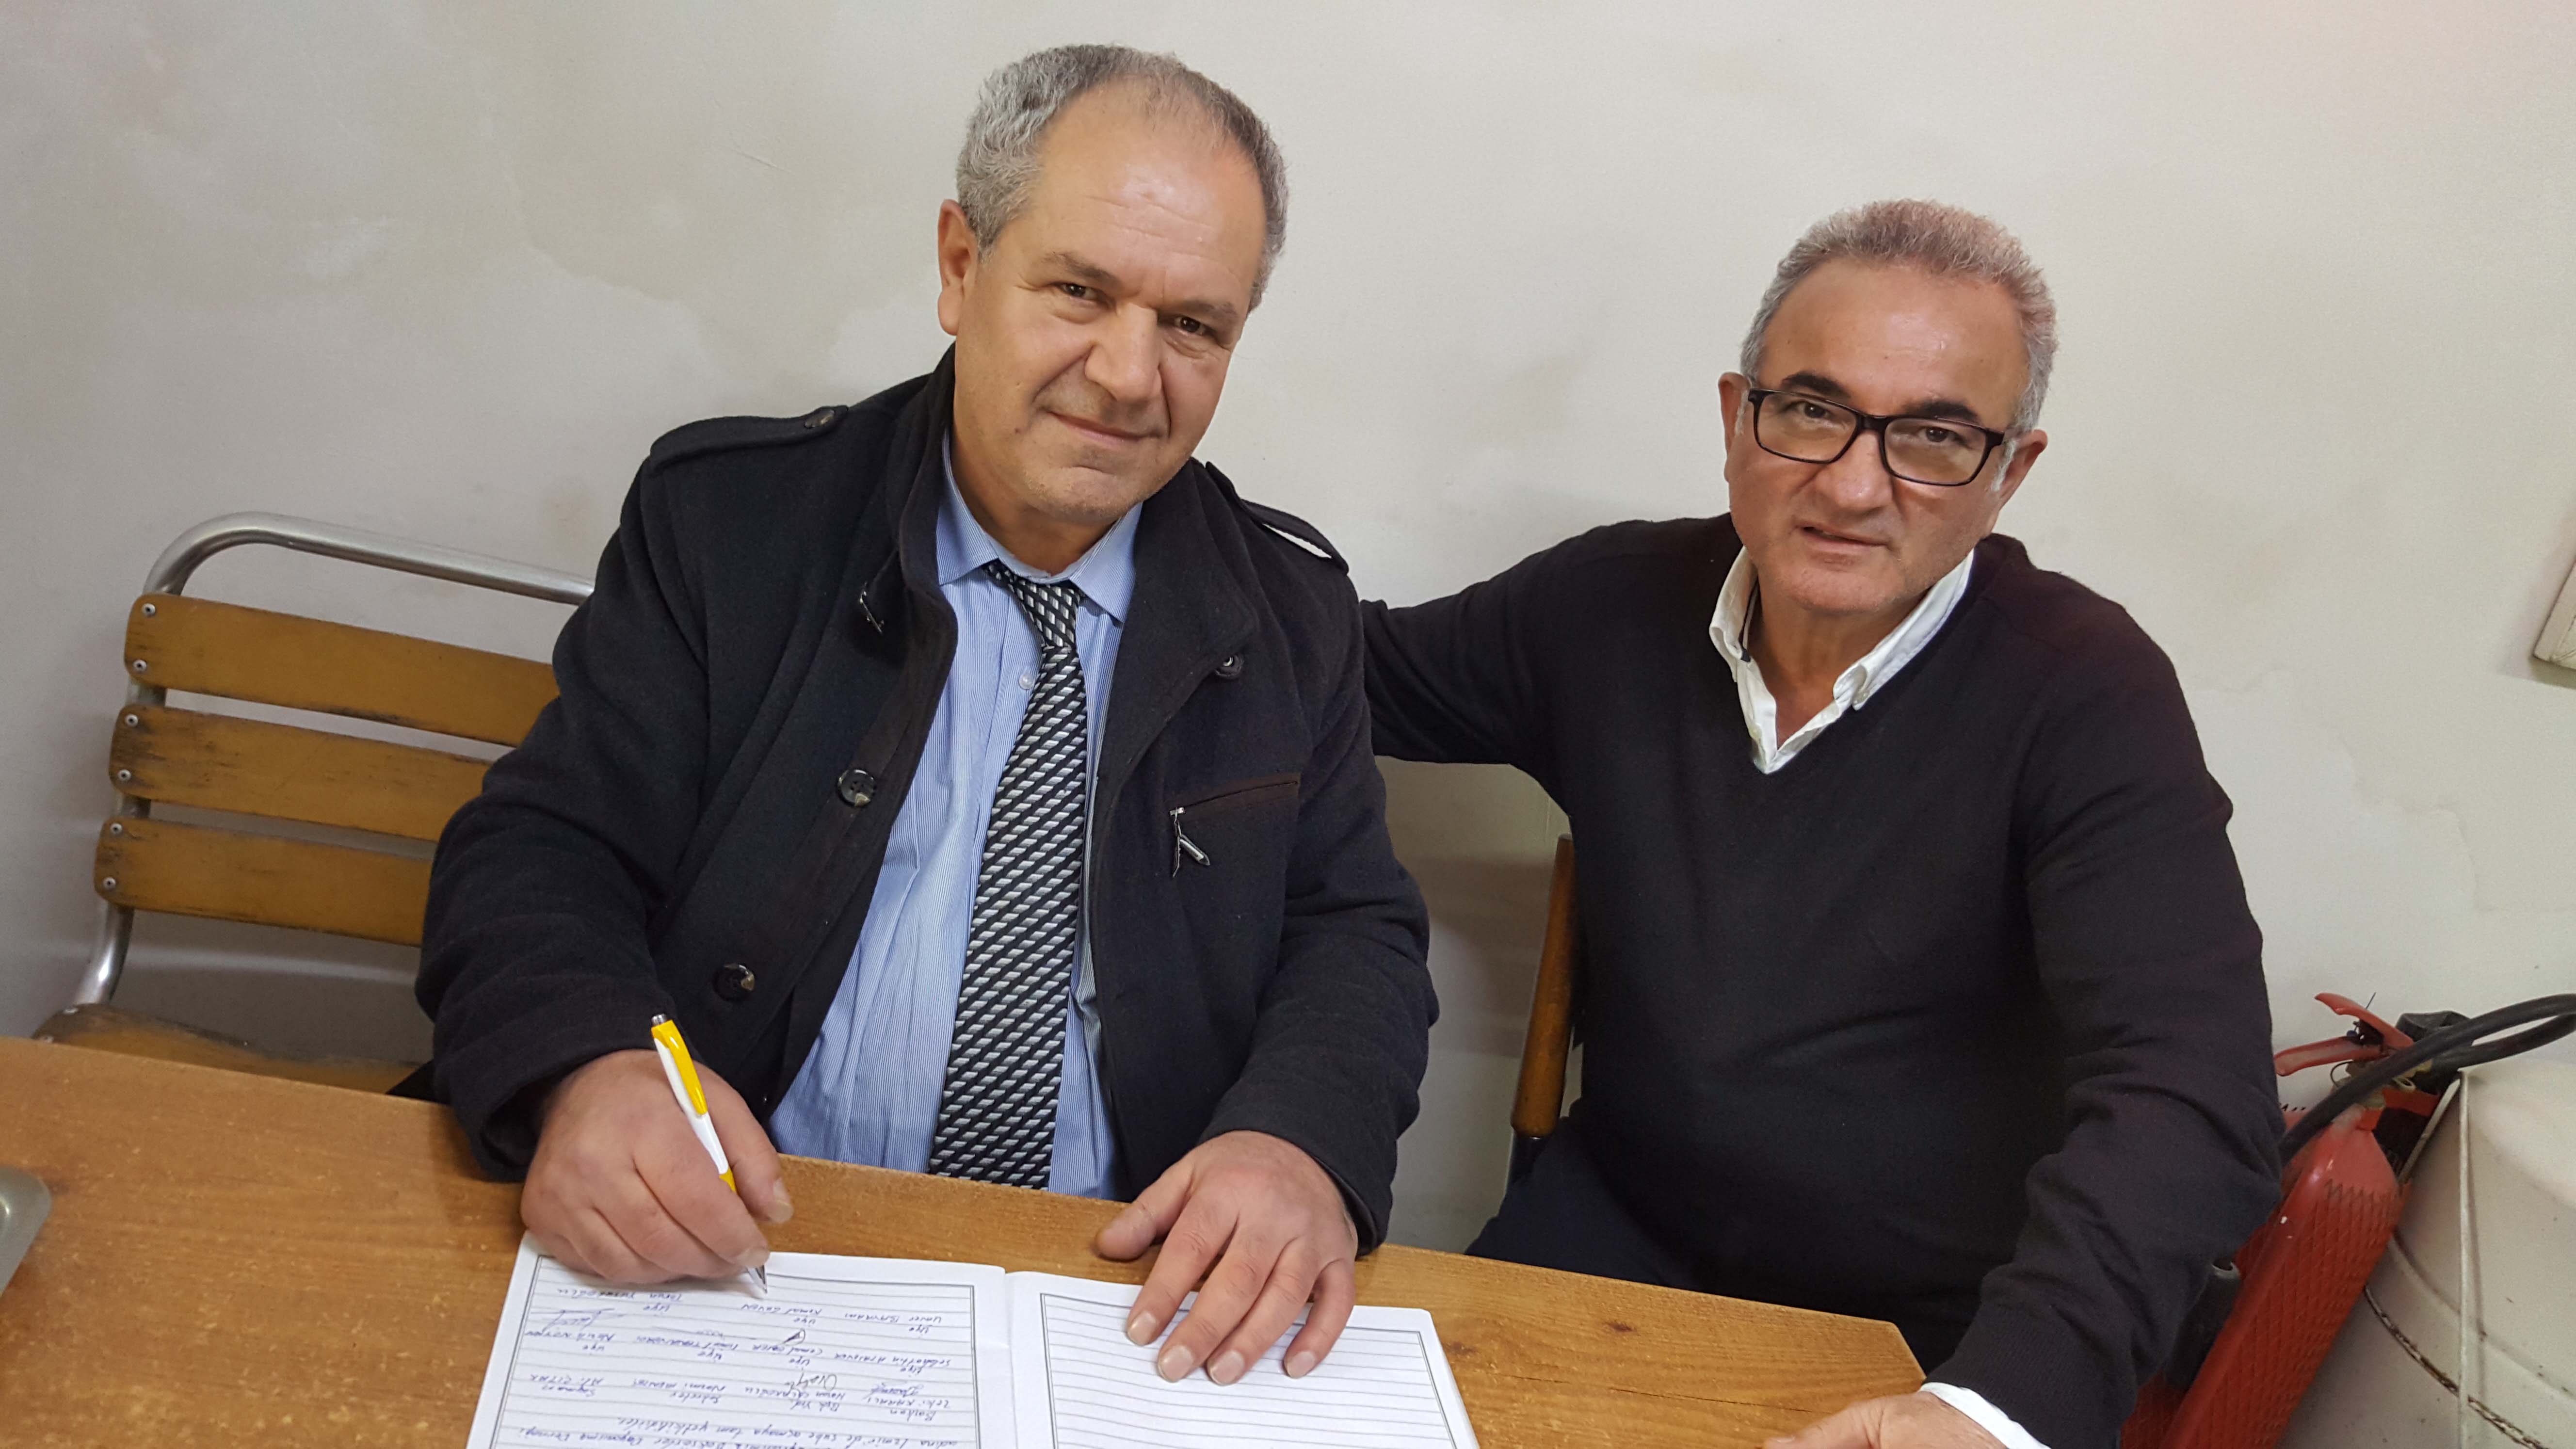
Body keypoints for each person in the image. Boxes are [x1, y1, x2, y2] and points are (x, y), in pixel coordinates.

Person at [410, 44, 1433, 1388]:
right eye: (1080, 290)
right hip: (734, 1245)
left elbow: (1353, 930)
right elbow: (546, 847)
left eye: (1194, 325)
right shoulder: (730, 522)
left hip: (1112, 1298)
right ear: (960, 265)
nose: (1131, 374)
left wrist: (1299, 1142)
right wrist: (585, 1065)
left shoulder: (1290, 611)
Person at [1362, 201, 2280, 1449]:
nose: (1852, 485)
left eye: (1935, 437)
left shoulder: (2086, 693)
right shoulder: (1610, 604)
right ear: (1736, 418)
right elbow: (1334, 668)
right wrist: (1137, 495)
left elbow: (2192, 1088)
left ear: (2010, 473)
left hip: (1929, 1338)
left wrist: (1993, 1408)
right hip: (1611, 1241)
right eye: (1810, 410)